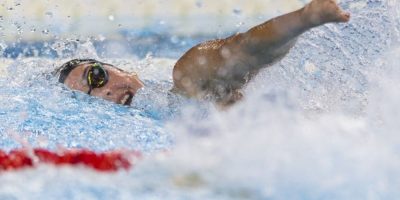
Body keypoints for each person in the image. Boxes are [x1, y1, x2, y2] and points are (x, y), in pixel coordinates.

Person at [56, 0, 350, 107]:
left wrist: (305, 19)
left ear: (125, 70)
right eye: (88, 99)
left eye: (97, 77)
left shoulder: (185, 88)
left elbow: (242, 51)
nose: (104, 93)